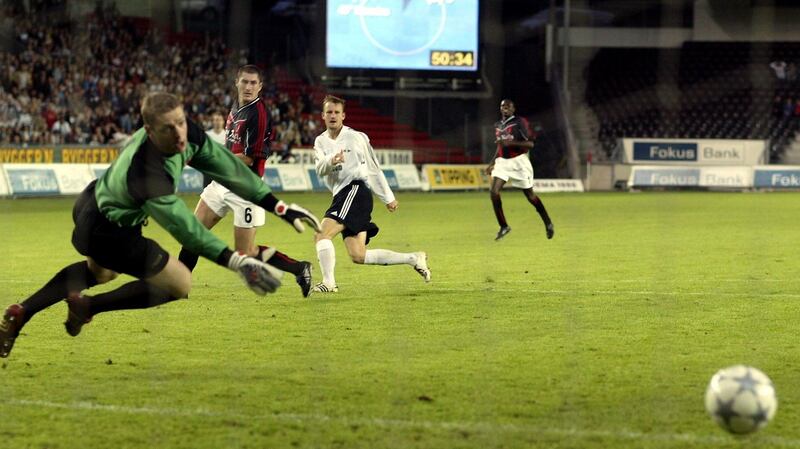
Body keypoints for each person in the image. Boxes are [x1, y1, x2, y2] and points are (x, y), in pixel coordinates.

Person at [0, 92, 321, 358]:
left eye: (181, 122)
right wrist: (236, 262)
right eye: (169, 129)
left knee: (99, 273)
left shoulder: (185, 134)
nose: (180, 134)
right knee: (179, 283)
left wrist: (278, 206)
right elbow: (186, 229)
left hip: (93, 202)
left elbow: (227, 168)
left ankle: (22, 311)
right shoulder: (148, 172)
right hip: (107, 228)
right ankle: (88, 308)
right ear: (150, 132)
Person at [177, 65, 313, 297]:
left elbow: (249, 158)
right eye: (245, 82)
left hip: (245, 190)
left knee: (246, 252)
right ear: (236, 83)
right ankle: (178, 287)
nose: (248, 87)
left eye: (253, 83)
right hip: (222, 183)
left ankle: (299, 268)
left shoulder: (258, 114)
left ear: (260, 86)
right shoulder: (236, 108)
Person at [312, 95, 430, 293]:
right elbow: (320, 169)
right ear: (323, 116)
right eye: (329, 112)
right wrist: (333, 159)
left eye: (337, 112)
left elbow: (374, 169)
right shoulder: (320, 141)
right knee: (358, 255)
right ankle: (413, 258)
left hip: (355, 191)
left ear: (343, 115)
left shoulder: (356, 137)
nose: (333, 116)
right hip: (342, 195)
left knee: (321, 234)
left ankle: (329, 282)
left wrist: (388, 197)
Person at [486, 99, 554, 241]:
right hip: (502, 163)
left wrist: (509, 143)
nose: (505, 108)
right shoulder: (498, 125)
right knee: (494, 192)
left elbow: (529, 144)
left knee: (530, 196)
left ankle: (547, 222)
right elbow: (500, 146)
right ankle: (504, 226)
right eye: (502, 106)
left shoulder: (519, 122)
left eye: (508, 106)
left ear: (513, 109)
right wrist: (492, 163)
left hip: (519, 162)